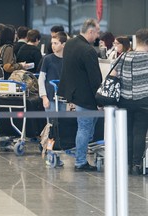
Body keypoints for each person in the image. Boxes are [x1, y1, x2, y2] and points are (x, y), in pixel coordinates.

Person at [58, 18, 102, 171]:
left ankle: (80, 153)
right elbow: (95, 78)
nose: (98, 36)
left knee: (84, 127)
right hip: (86, 96)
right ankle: (80, 162)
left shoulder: (70, 43)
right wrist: (100, 99)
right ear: (90, 31)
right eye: (97, 32)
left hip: (73, 92)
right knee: (84, 128)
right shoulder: (88, 50)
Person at [111, 28, 148, 175]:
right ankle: (136, 165)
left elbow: (112, 75)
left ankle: (125, 164)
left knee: (126, 133)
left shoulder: (123, 56)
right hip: (144, 100)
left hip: (124, 100)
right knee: (139, 132)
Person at [38, 31, 68, 114]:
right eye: (52, 43)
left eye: (56, 43)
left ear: (63, 44)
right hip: (50, 97)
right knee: (52, 123)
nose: (53, 46)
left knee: (63, 124)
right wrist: (44, 97)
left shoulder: (68, 60)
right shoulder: (47, 59)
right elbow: (41, 78)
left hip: (64, 97)